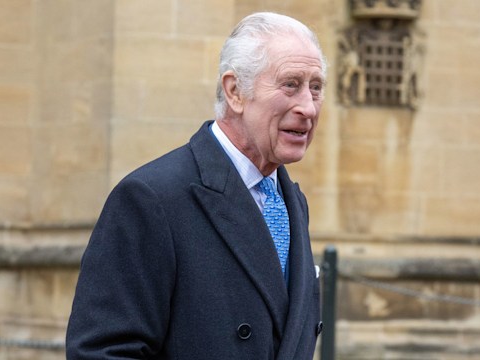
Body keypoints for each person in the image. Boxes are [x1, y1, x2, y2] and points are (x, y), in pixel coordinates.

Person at [66, 11, 327, 359]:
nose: (308, 108)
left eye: (316, 87)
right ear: (235, 91)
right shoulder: (151, 198)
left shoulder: (291, 201)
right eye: (291, 84)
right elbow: (103, 352)